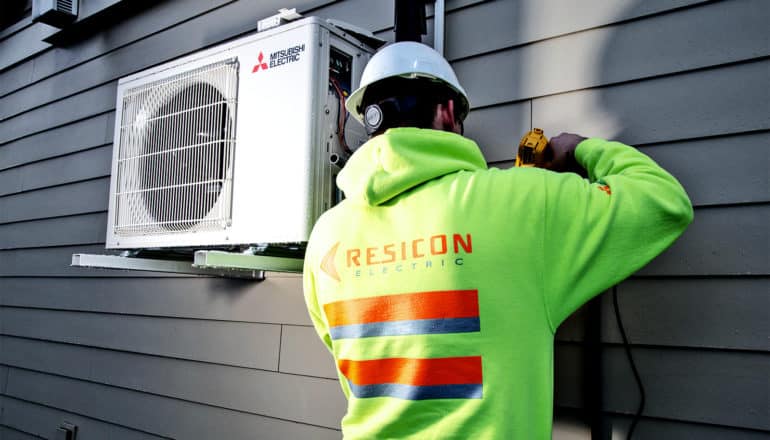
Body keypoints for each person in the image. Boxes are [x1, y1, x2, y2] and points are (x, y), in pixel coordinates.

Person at [303, 41, 693, 439]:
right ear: (448, 111)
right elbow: (662, 200)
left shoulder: (325, 236)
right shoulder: (524, 202)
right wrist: (581, 149)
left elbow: (347, 351)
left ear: (370, 122)